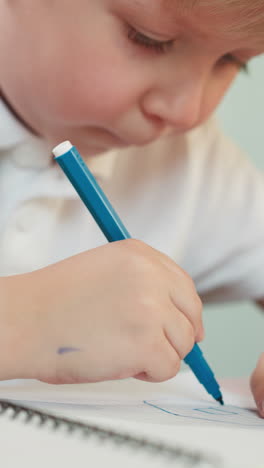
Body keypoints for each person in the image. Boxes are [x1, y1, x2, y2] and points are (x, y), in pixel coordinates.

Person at [0, 0, 263, 415]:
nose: (186, 111)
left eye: (235, 61)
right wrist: (24, 321)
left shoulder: (189, 161)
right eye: (149, 40)